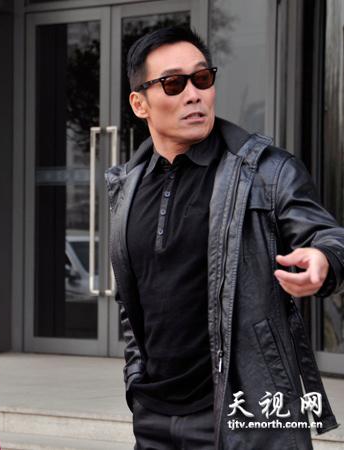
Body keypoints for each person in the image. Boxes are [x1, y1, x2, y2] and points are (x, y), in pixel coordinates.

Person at [106, 26, 343, 449]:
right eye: (174, 83)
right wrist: (136, 380)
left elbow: (327, 236)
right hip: (153, 417)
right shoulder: (127, 188)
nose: (194, 95)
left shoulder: (265, 171)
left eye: (202, 79)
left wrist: (324, 259)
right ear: (139, 104)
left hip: (243, 414)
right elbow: (131, 301)